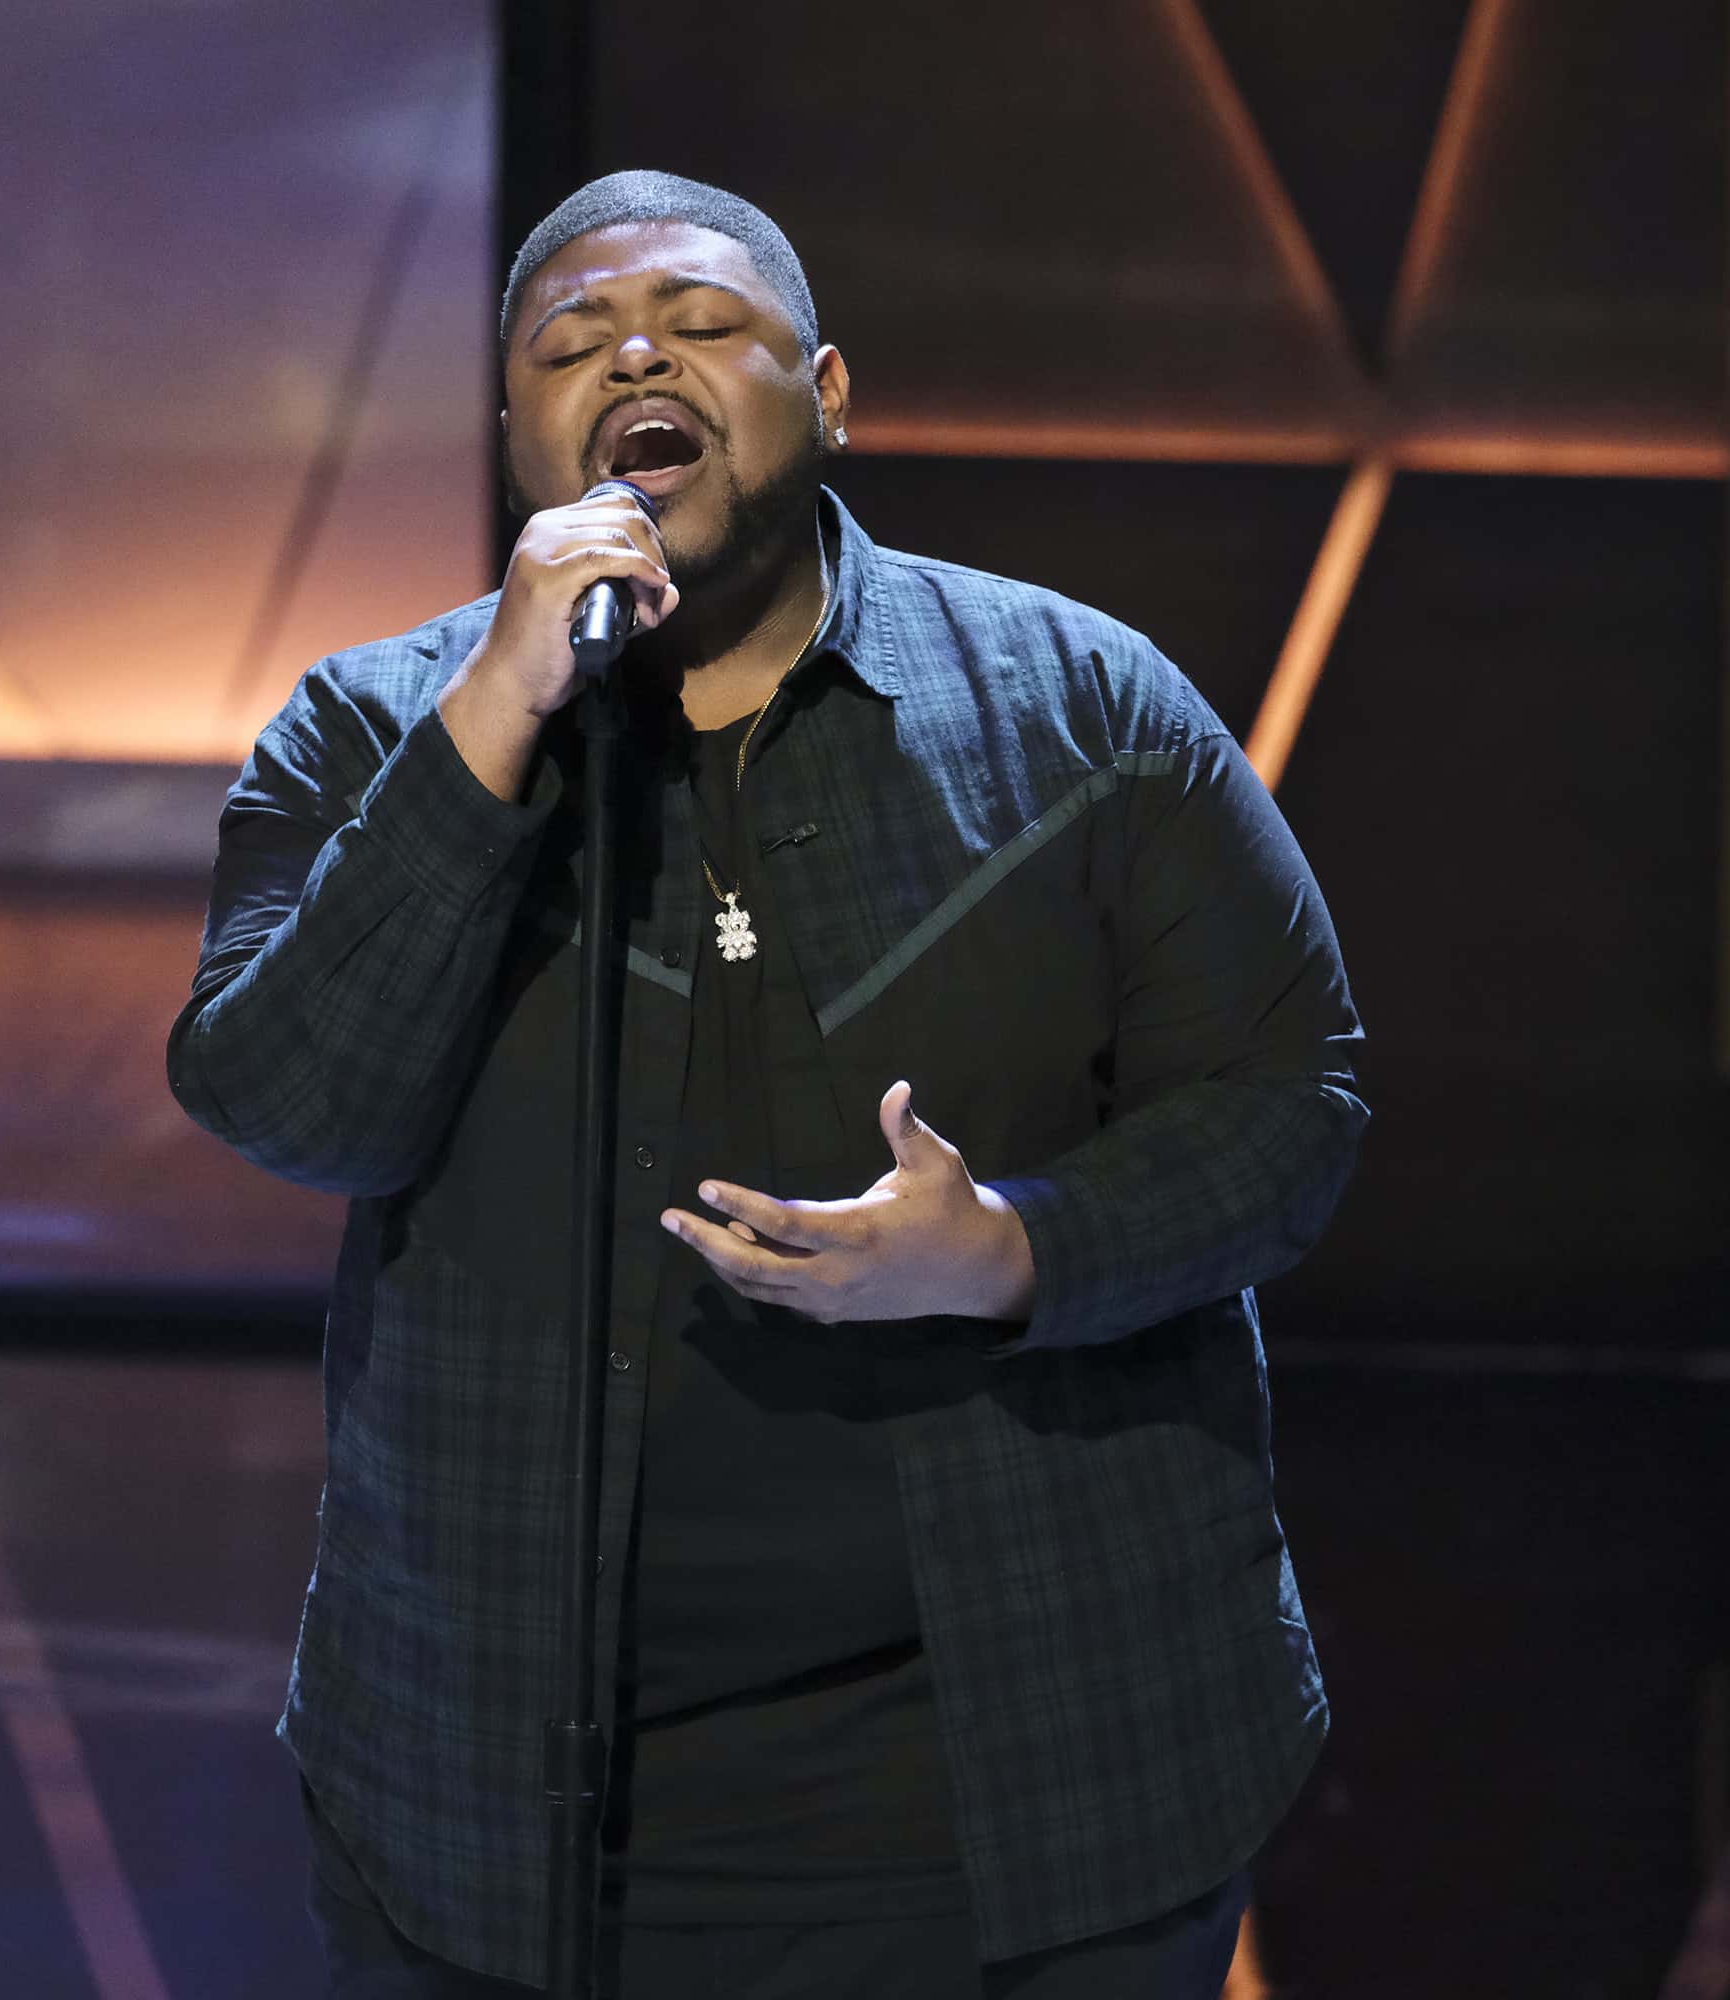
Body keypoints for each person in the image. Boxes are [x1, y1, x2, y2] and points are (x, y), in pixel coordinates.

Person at [167, 170, 1367, 1999]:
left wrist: (1014, 1249)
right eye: (571, 343)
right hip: (497, 1811)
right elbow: (287, 1103)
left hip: (1042, 1791)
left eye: (703, 324)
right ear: (518, 442)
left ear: (829, 395)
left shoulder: (1087, 706)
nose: (637, 357)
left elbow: (1292, 1105)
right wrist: (492, 718)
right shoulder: (370, 730)